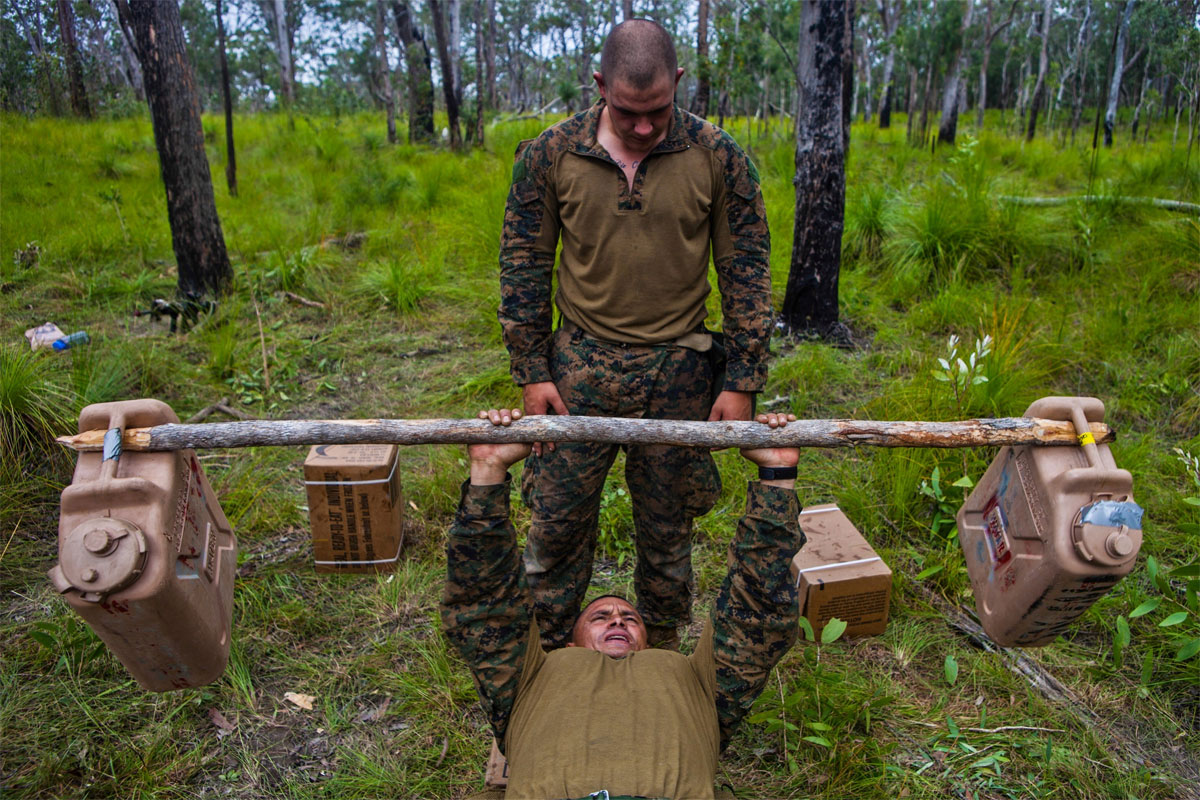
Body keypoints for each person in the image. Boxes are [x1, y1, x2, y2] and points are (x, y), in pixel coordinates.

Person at [499, 18, 773, 650]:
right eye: (628, 112)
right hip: (576, 369)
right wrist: (532, 372)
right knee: (556, 527)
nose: (645, 127)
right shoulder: (551, 154)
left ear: (678, 81)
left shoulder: (718, 156)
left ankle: (662, 656)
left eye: (658, 110)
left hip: (679, 370)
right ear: (600, 85)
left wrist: (742, 380)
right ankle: (548, 660)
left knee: (668, 532)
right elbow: (523, 266)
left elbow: (747, 271)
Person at [442, 409, 803, 800]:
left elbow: (752, 615)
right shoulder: (531, 676)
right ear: (569, 645)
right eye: (600, 617)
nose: (618, 621)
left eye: (631, 619)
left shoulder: (695, 680)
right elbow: (488, 604)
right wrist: (488, 468)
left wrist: (777, 474)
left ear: (648, 644)